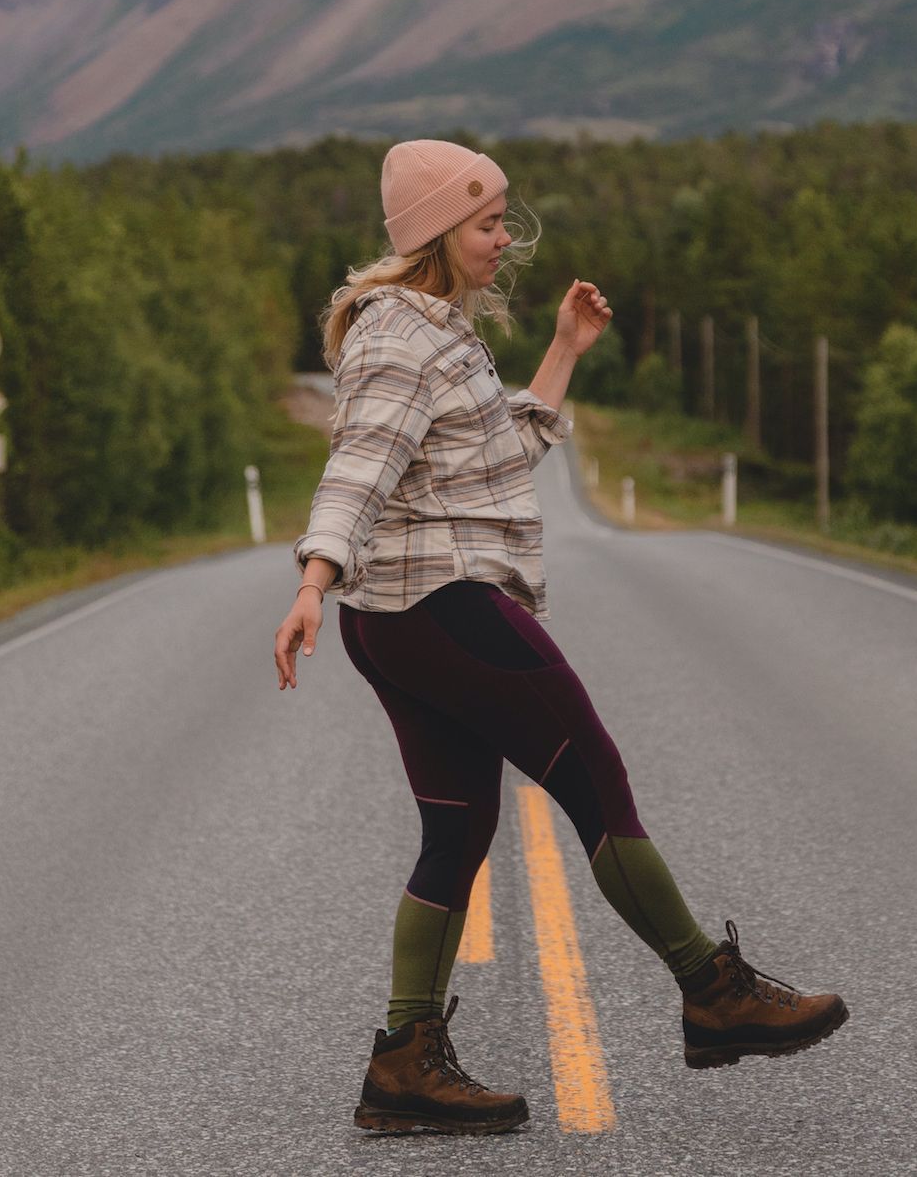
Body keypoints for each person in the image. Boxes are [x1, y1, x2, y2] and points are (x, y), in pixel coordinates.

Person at [273, 138, 847, 1136]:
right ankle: (711, 991)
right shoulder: (400, 338)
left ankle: (404, 1062)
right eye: (488, 221)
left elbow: (499, 452)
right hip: (437, 603)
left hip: (397, 617)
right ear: (438, 230)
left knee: (456, 828)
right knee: (596, 777)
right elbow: (356, 467)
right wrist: (312, 577)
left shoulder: (430, 331)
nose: (506, 238)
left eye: (502, 219)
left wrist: (565, 349)